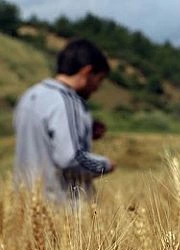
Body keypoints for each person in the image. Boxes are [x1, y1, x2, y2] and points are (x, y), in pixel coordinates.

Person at [13, 38, 115, 205]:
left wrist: (85, 128)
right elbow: (70, 158)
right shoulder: (66, 101)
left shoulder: (29, 96)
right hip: (60, 207)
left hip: (25, 204)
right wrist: (105, 164)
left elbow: (40, 140)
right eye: (99, 79)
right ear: (87, 72)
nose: (97, 88)